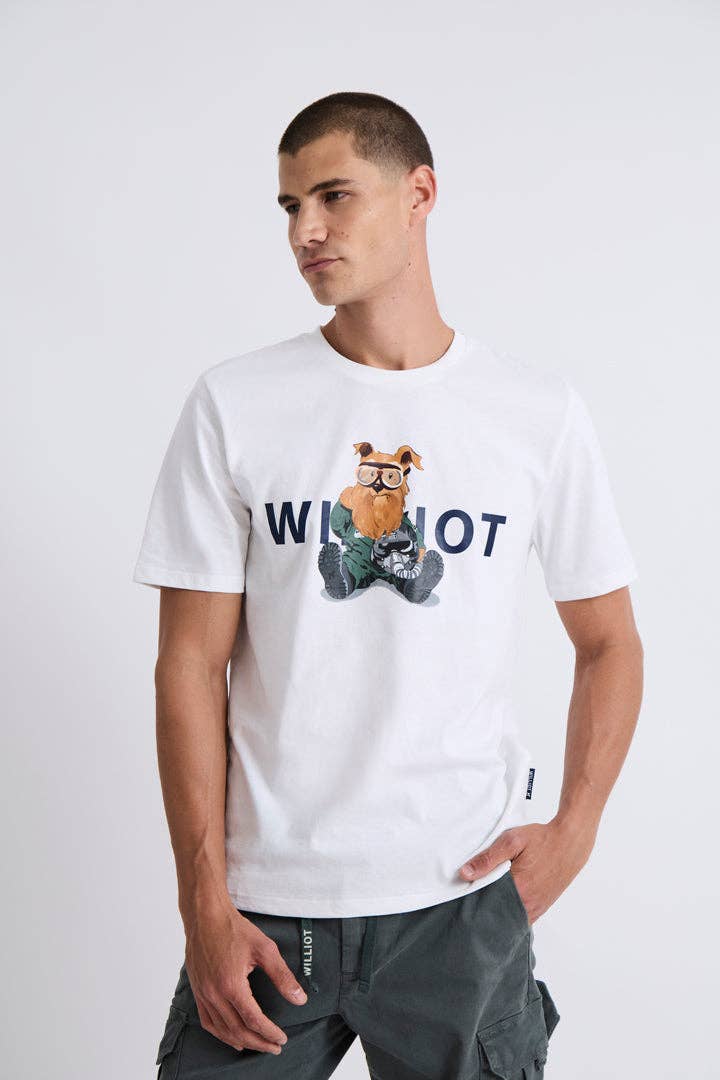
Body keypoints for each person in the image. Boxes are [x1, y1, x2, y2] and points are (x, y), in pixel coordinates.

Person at [134, 91, 644, 1079]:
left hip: (458, 903)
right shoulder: (236, 405)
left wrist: (575, 831)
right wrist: (203, 901)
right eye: (289, 206)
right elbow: (187, 667)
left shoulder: (533, 413)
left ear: (420, 194)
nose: (306, 231)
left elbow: (609, 641)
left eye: (334, 196)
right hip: (267, 910)